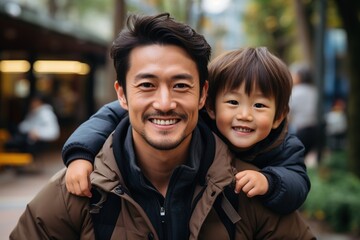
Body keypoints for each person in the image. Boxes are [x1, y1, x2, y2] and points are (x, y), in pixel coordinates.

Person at [11, 13, 315, 239]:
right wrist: (79, 154)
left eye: (181, 85)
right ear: (122, 95)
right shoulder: (76, 189)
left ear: (203, 95)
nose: (165, 102)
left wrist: (272, 183)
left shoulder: (246, 187)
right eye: (147, 85)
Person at [64, 50, 310, 214]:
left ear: (278, 116)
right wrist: (81, 155)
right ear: (210, 106)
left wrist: (270, 181)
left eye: (259, 105)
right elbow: (112, 114)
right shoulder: (197, 122)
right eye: (233, 103)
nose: (245, 115)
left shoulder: (284, 146)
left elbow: (297, 184)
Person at [288, 64, 318, 157]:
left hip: (300, 130)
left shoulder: (296, 92)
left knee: (295, 156)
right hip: (315, 129)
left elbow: (288, 112)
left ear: (299, 76)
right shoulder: (314, 91)